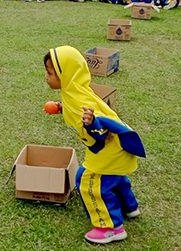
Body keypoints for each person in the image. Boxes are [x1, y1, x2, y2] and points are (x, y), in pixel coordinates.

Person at [44, 46, 145, 244]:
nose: (46, 77)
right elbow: (78, 107)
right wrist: (61, 108)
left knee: (88, 180)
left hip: (109, 147)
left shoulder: (79, 101)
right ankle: (129, 206)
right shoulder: (75, 90)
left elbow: (101, 132)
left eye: (49, 72)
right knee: (113, 176)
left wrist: (92, 124)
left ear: (67, 75)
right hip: (116, 147)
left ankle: (111, 227)